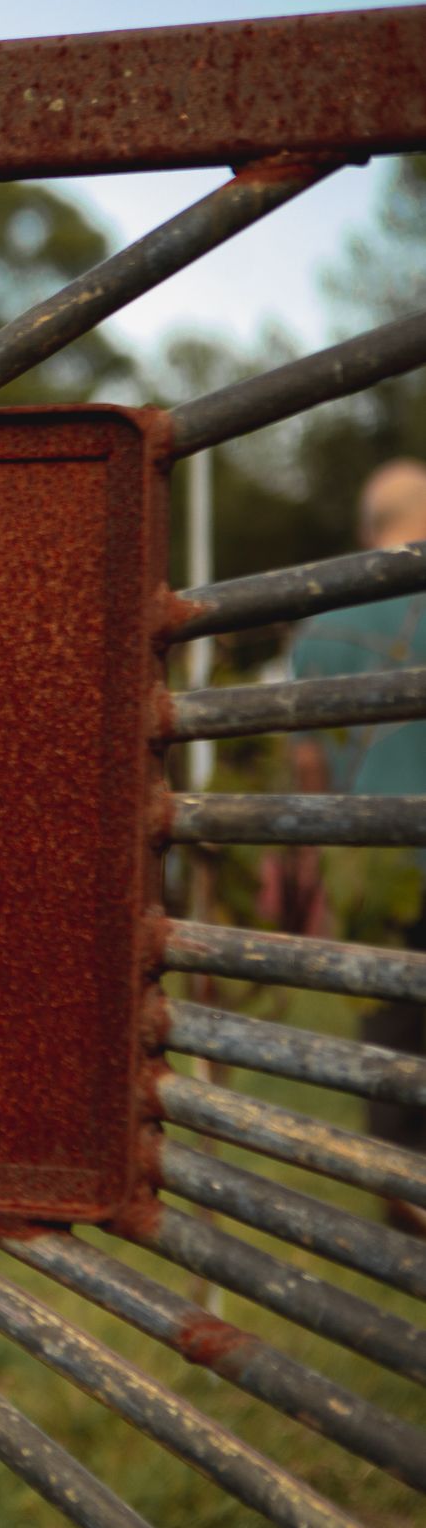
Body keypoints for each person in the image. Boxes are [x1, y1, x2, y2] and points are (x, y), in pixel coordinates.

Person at [289, 457, 426, 1232]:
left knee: (388, 1028)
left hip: (368, 863)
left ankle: (401, 1198)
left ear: (365, 529)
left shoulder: (321, 626)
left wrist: (319, 870)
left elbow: (308, 767)